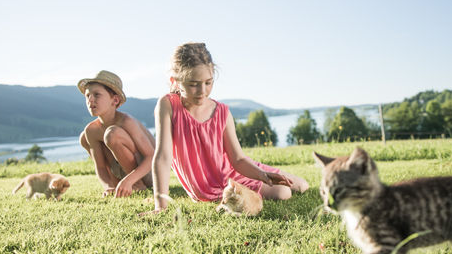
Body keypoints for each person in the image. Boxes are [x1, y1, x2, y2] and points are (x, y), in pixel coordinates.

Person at [144, 42, 309, 213]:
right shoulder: (168, 105)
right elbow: (163, 157)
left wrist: (262, 174)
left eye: (208, 83)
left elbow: (237, 159)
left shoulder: (222, 112)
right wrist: (160, 206)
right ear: (176, 82)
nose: (202, 91)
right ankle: (236, 194)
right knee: (283, 192)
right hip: (211, 185)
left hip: (235, 170)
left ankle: (247, 187)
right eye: (194, 84)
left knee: (302, 185)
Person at [78, 70, 155, 198]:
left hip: (149, 172)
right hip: (123, 173)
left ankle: (137, 185)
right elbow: (101, 167)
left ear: (115, 100)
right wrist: (108, 187)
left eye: (97, 95)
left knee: (111, 134)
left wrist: (129, 180)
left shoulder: (126, 121)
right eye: (87, 95)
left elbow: (151, 157)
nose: (90, 100)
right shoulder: (91, 130)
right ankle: (116, 186)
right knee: (84, 138)